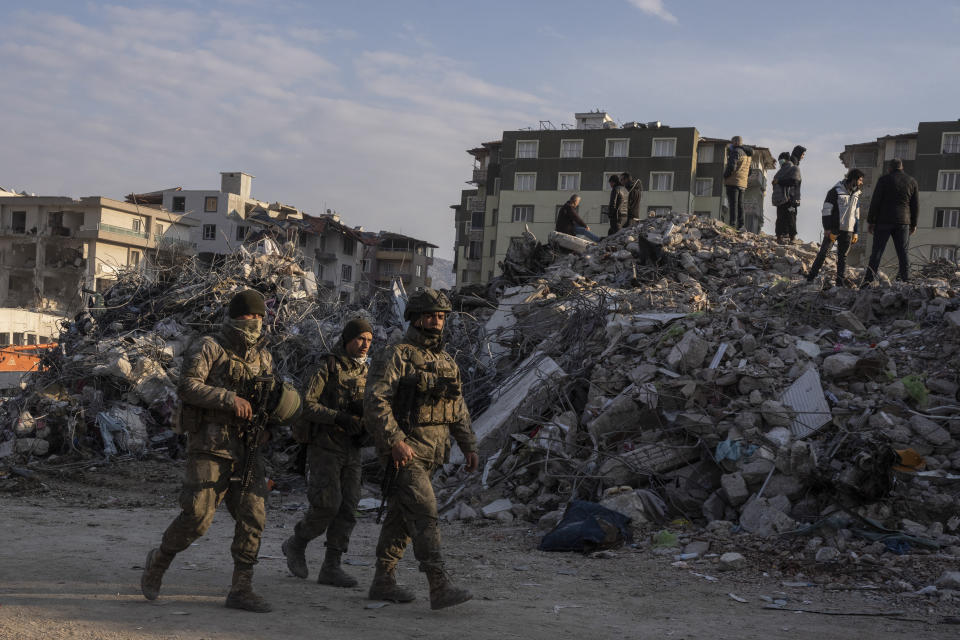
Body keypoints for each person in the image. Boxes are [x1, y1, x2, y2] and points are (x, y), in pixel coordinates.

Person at [140, 290, 300, 613]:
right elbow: (187, 386)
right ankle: (159, 560)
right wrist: (229, 399)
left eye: (259, 317)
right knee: (197, 517)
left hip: (247, 449)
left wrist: (270, 424)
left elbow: (266, 399)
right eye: (249, 317)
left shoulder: (263, 357)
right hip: (210, 446)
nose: (255, 323)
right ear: (236, 317)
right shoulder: (210, 346)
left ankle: (241, 588)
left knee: (253, 515)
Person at [364, 288, 479, 610]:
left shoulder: (445, 361)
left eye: (441, 316)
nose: (436, 322)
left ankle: (383, 581)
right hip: (406, 451)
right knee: (426, 516)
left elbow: (457, 407)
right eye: (430, 315)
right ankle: (438, 584)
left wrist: (468, 444)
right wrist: (394, 441)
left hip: (433, 451)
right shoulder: (396, 354)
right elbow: (375, 401)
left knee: (402, 518)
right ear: (415, 317)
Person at [282, 318, 374, 587]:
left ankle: (331, 566)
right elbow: (306, 405)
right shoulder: (327, 368)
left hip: (352, 449)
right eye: (360, 339)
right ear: (347, 339)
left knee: (348, 507)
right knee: (327, 504)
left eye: (369, 340)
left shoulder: (368, 372)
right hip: (326, 447)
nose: (364, 345)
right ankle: (296, 542)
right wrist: (338, 418)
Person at [861, 158, 919, 285]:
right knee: (903, 253)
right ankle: (905, 281)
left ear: (889, 168)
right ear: (902, 167)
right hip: (903, 221)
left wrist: (871, 221)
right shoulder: (911, 181)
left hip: (884, 221)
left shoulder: (883, 180)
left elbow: (875, 201)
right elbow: (915, 205)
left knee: (877, 252)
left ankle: (868, 281)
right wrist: (914, 224)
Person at [806, 169, 865, 287]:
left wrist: (856, 232)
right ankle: (810, 278)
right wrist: (827, 228)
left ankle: (840, 283)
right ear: (853, 179)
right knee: (823, 253)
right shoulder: (835, 191)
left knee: (842, 257)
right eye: (860, 180)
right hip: (834, 229)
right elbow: (826, 211)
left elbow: (856, 215)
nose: (861, 183)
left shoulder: (857, 195)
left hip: (848, 231)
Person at [722, 136, 754, 229]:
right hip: (742, 184)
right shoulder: (748, 156)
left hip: (733, 182)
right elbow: (750, 171)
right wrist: (743, 178)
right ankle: (741, 225)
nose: (731, 145)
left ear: (735, 143)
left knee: (733, 204)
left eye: (732, 143)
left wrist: (725, 176)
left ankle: (732, 224)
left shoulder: (736, 152)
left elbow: (731, 167)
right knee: (740, 205)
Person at [771, 152, 795, 244]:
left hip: (787, 197)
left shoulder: (790, 168)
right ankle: (782, 237)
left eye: (780, 159)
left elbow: (791, 181)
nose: (779, 162)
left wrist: (778, 182)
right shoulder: (784, 169)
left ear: (785, 159)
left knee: (786, 217)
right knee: (785, 217)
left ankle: (785, 237)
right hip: (783, 198)